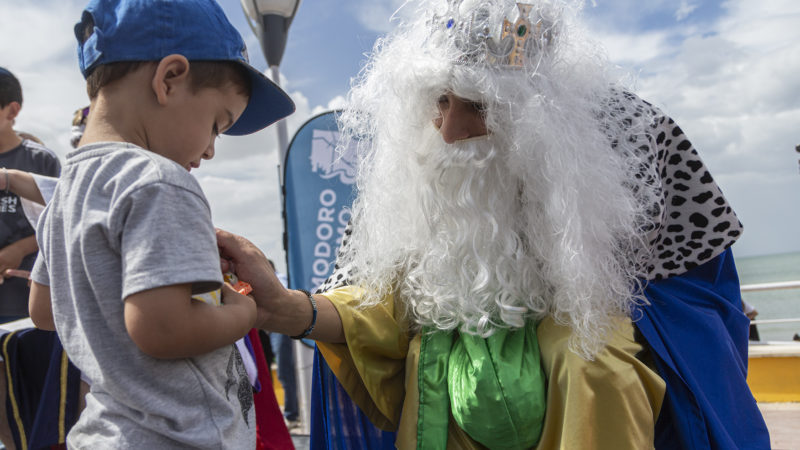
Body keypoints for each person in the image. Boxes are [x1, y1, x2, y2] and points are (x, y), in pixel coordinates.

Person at [218, 0, 770, 448]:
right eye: (440, 100)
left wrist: (583, 347)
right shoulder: (413, 169)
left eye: (479, 106)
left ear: (541, 117)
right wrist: (289, 309)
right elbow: (378, 301)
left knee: (594, 361)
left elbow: (697, 318)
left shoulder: (633, 151)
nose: (450, 130)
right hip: (445, 418)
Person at [27, 0, 294, 448]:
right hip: (180, 437)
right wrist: (244, 311)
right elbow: (164, 329)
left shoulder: (66, 193)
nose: (210, 150)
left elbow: (43, 311)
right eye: (217, 124)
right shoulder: (160, 180)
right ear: (169, 78)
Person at [0, 67, 61, 323]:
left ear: (12, 111)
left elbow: (62, 223)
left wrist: (19, 249)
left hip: (26, 303)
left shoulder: (40, 160)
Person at [267, 259, 301, 431]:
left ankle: (291, 415)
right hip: (270, 330)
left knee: (285, 372)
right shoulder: (279, 279)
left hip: (281, 329)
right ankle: (290, 414)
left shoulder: (279, 280)